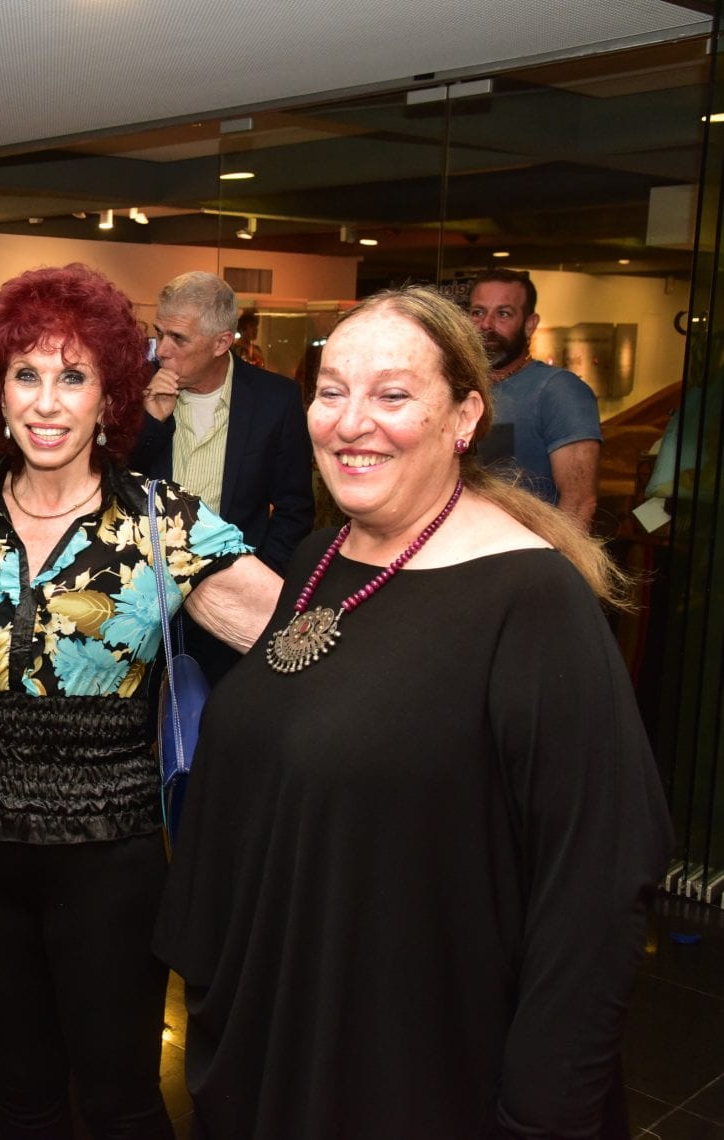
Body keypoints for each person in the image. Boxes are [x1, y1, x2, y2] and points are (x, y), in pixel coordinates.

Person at [153, 286, 671, 1139]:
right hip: (281, 1025)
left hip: (419, 1060)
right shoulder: (323, 555)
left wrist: (543, 1111)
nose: (352, 422)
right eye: (332, 391)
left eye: (393, 395)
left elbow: (598, 880)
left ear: (464, 416)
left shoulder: (530, 595)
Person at [0, 264, 282, 1139]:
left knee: (120, 1098)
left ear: (110, 392)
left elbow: (288, 638)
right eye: (26, 374)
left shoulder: (162, 521)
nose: (46, 401)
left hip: (110, 853)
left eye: (73, 376)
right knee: (21, 1090)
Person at [128, 271, 313, 682]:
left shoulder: (274, 398)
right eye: (160, 334)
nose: (163, 351)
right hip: (146, 600)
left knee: (225, 723)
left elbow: (295, 507)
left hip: (233, 598)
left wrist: (258, 580)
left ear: (221, 343)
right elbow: (113, 484)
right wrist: (151, 424)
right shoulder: (137, 391)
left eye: (179, 338)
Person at [468, 267, 602, 531]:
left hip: (524, 559)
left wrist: (556, 569)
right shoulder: (457, 386)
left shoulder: (559, 390)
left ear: (530, 325)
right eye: (478, 312)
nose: (486, 324)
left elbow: (579, 503)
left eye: (503, 314)